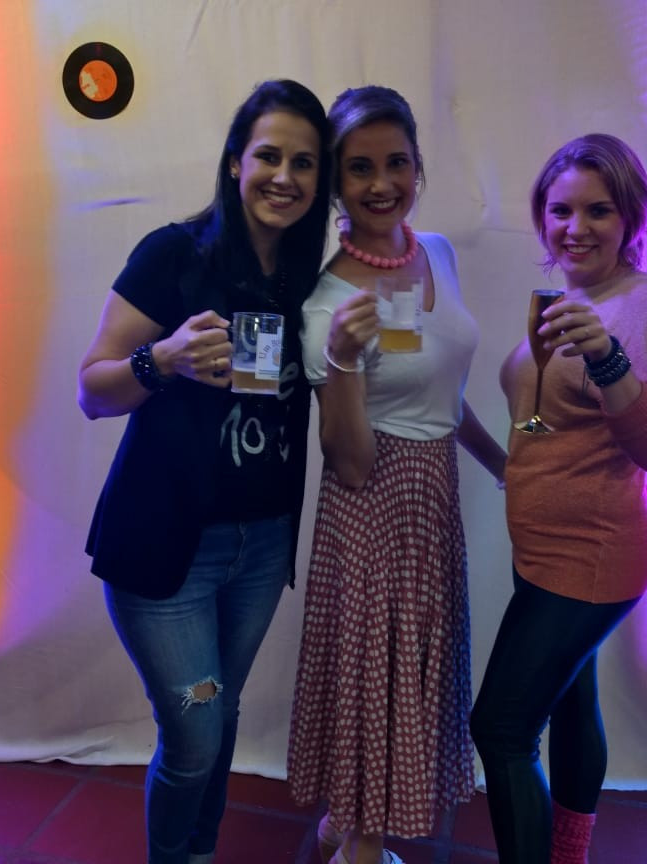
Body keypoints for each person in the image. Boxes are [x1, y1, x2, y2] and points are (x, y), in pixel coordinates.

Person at [78, 79, 332, 864]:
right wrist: (162, 360)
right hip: (169, 551)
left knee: (219, 709)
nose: (284, 176)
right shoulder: (174, 254)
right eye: (269, 156)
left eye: (304, 162)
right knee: (194, 729)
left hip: (262, 546)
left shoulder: (304, 279)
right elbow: (92, 390)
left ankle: (199, 852)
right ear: (234, 162)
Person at [286, 85, 509, 864]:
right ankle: (361, 841)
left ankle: (344, 822)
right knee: (374, 672)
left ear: (418, 166)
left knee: (405, 667)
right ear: (335, 182)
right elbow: (347, 461)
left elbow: (440, 392)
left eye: (397, 163)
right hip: (372, 503)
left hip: (433, 496)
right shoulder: (327, 302)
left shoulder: (436, 252)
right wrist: (343, 360)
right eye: (360, 168)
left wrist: (502, 463)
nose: (382, 183)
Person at [469, 133, 647, 864]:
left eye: (598, 210)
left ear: (631, 217)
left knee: (500, 729)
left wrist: (606, 356)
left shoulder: (644, 306)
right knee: (571, 698)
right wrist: (503, 458)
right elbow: (544, 420)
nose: (575, 227)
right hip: (543, 554)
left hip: (590, 559)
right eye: (560, 210)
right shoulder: (570, 298)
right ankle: (569, 852)